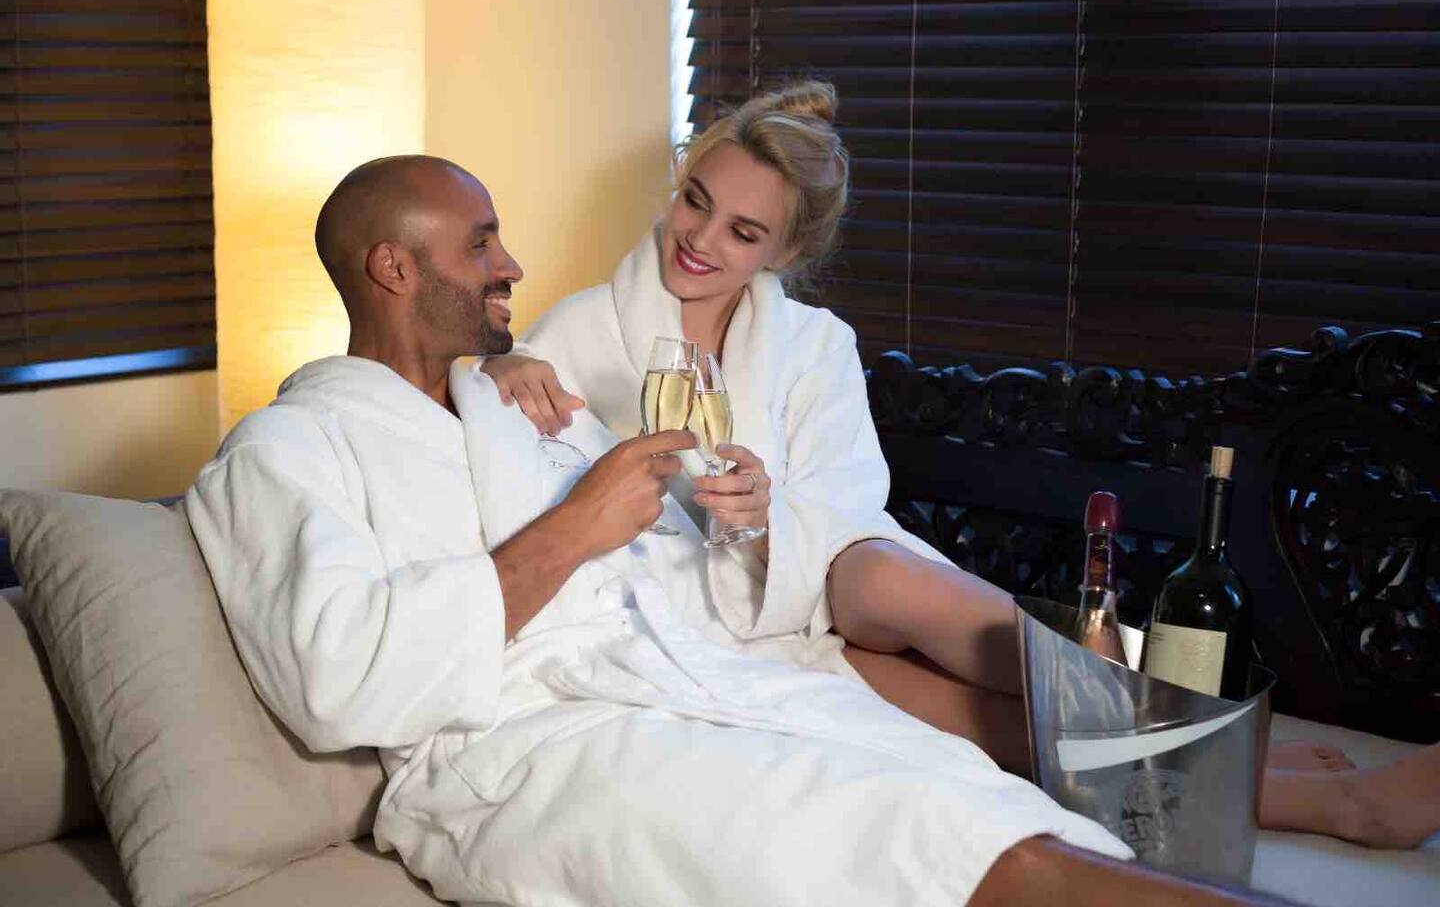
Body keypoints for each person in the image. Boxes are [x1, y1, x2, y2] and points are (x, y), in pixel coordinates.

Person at [186, 154, 1300, 907]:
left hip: (697, 683)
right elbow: (341, 682)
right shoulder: (285, 451)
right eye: (481, 246)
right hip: (526, 749)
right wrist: (575, 528)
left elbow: (676, 586)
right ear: (393, 267)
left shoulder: (514, 411)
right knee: (912, 832)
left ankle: (1168, 743)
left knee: (977, 799)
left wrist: (726, 524)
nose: (513, 265)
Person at [482, 82, 1440, 851]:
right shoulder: (577, 333)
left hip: (829, 576)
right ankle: (1324, 797)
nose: (700, 239)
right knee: (983, 725)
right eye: (697, 200)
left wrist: (768, 519)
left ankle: (1197, 719)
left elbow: (847, 499)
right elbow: (523, 480)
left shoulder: (813, 343)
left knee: (879, 574)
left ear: (788, 249)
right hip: (728, 627)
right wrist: (497, 367)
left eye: (743, 230)